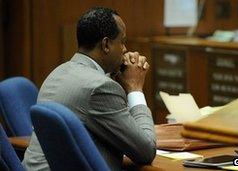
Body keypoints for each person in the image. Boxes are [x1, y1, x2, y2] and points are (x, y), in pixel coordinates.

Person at [22, 7, 156, 171]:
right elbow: (146, 151)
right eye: (122, 42)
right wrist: (135, 88)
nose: (125, 49)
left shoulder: (58, 73)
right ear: (106, 44)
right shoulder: (101, 88)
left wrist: (115, 73)